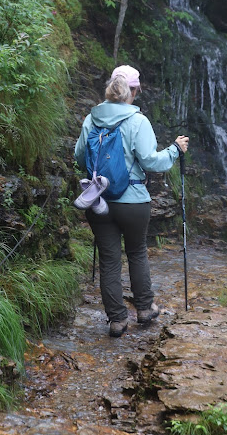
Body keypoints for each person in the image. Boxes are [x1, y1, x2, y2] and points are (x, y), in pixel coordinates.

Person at [74, 64, 189, 337]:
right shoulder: (138, 121)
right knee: (136, 252)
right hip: (134, 201)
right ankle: (145, 309)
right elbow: (152, 161)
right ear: (134, 91)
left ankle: (117, 320)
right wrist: (174, 150)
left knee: (109, 260)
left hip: (97, 200)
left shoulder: (91, 120)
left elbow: (80, 157)